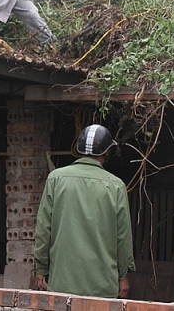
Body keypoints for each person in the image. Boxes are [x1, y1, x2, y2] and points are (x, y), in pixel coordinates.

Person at [34, 124, 136, 298]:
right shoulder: (116, 186)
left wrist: (41, 268)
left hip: (62, 285)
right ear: (107, 152)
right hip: (102, 288)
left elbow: (43, 229)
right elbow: (122, 237)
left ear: (79, 149)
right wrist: (123, 275)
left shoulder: (56, 179)